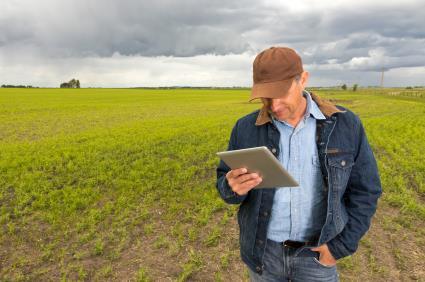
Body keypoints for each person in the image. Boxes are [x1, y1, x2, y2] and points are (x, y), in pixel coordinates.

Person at [215, 46, 382, 281]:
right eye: (266, 97)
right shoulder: (245, 128)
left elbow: (366, 191)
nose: (273, 106)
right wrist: (231, 188)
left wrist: (339, 247)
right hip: (264, 255)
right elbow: (225, 188)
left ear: (303, 79)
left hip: (316, 255)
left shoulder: (346, 125)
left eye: (281, 94)